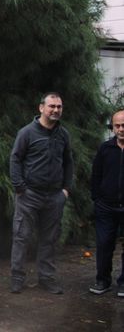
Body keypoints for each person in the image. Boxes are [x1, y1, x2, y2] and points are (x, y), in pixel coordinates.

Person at [9, 92, 73, 294]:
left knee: (50, 239)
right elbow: (15, 159)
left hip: (54, 196)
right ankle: (17, 278)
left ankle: (46, 278)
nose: (55, 110)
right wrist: (20, 187)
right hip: (30, 195)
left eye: (59, 107)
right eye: (52, 106)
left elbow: (69, 162)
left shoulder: (63, 135)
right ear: (41, 108)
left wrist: (65, 189)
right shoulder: (27, 132)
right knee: (21, 237)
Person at [89, 109, 124, 296]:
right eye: (117, 125)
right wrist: (97, 198)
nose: (120, 129)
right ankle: (102, 280)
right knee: (104, 245)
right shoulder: (105, 149)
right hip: (106, 207)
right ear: (113, 127)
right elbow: (96, 175)